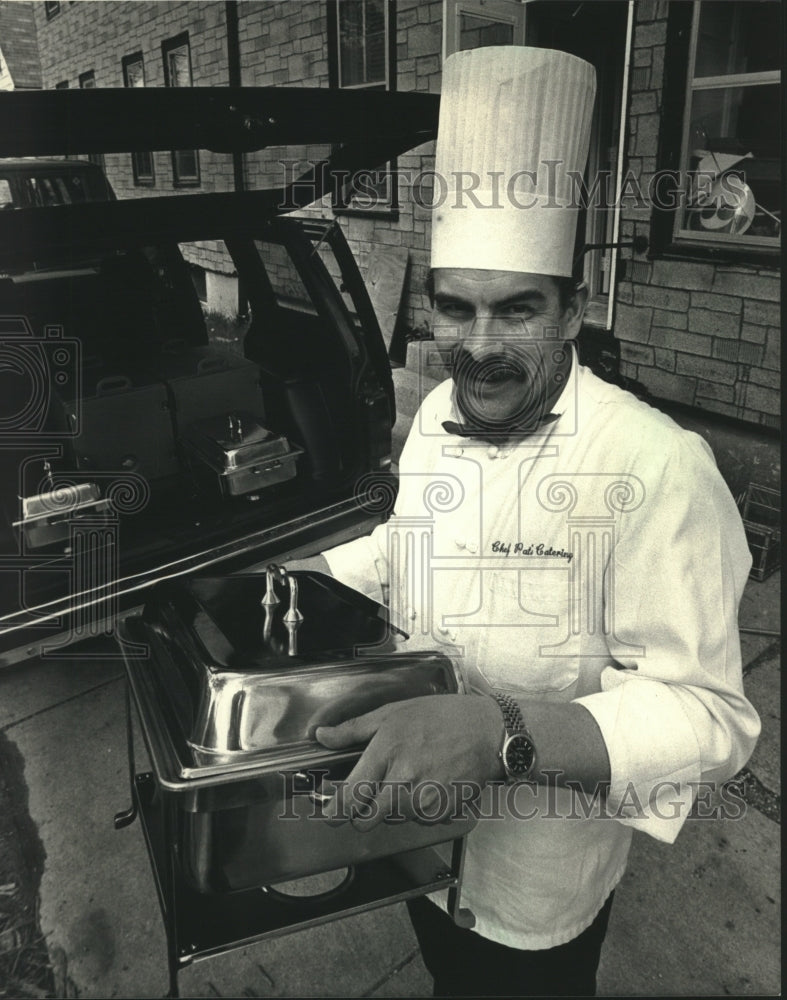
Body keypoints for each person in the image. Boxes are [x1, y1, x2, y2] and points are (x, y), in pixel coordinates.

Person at [291, 46, 760, 997]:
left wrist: (498, 733)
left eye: (515, 311)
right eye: (455, 308)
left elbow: (709, 718)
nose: (477, 345)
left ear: (574, 309)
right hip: (414, 842)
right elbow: (409, 546)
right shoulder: (430, 414)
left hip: (535, 887)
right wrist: (296, 586)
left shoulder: (655, 464)